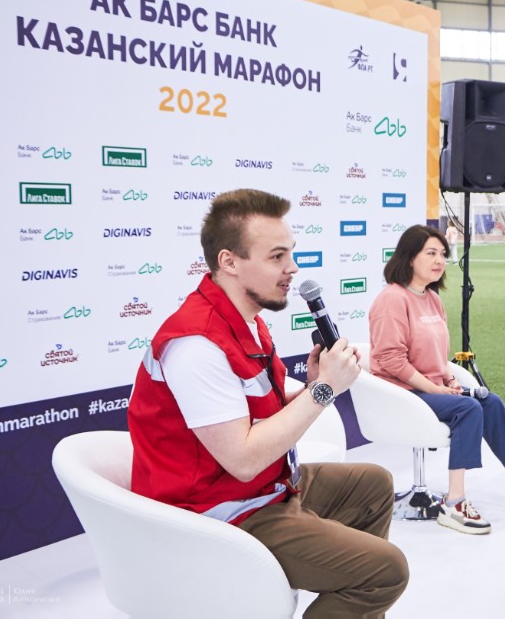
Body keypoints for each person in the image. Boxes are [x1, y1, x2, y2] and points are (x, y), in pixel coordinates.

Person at [127, 189, 409, 617]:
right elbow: (243, 459)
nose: (292, 268)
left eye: (290, 253)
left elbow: (255, 415)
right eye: (277, 256)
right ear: (229, 261)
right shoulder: (197, 345)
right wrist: (324, 390)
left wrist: (311, 386)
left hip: (260, 489)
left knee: (373, 485)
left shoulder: (247, 321)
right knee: (386, 570)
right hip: (216, 514)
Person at [369, 224, 505, 535]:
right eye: (431, 253)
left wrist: (448, 379)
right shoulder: (392, 299)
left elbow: (436, 355)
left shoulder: (431, 298)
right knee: (468, 408)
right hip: (403, 393)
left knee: (491, 402)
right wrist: (435, 388)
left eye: (442, 254)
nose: (439, 260)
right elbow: (389, 359)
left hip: (431, 389)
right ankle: (454, 502)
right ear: (409, 257)